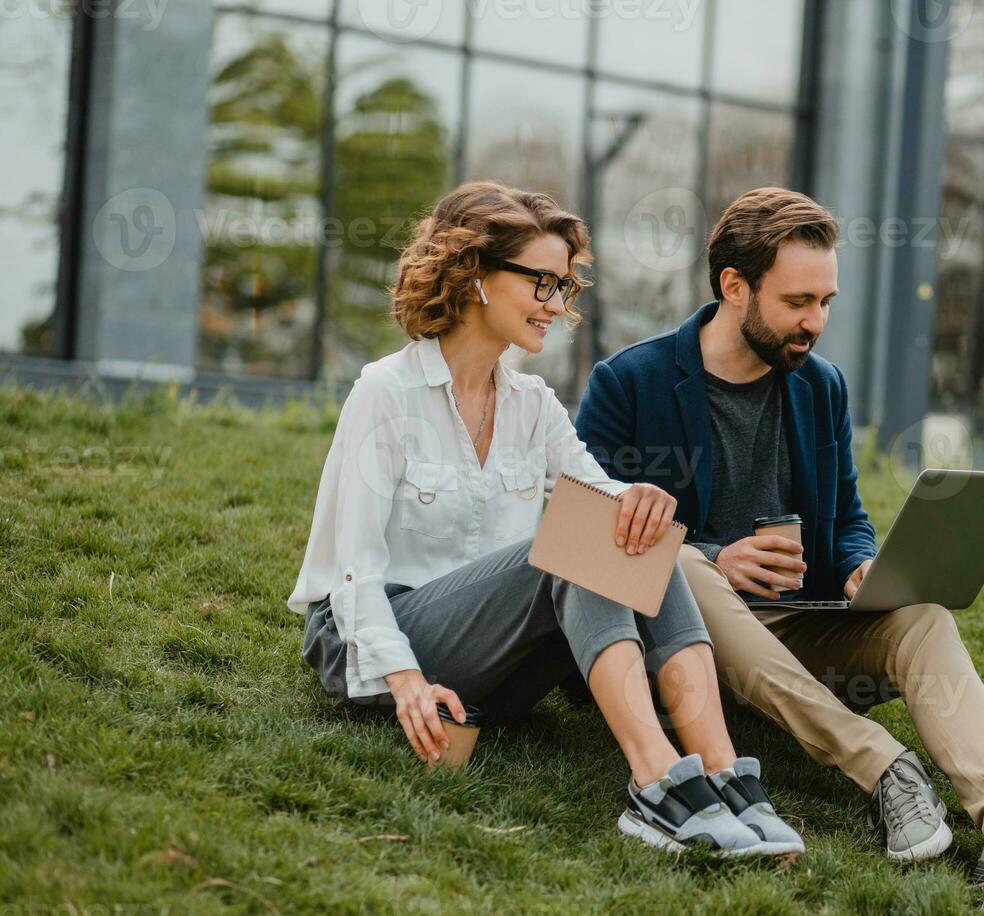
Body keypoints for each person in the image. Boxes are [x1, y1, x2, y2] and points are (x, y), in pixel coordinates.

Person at [574, 187, 984, 895]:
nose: (817, 322)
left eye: (826, 302)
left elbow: (847, 518)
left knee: (922, 617)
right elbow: (591, 536)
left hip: (800, 626)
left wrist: (863, 564)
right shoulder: (631, 381)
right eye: (798, 302)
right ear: (734, 287)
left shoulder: (820, 386)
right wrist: (715, 557)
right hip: (687, 641)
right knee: (680, 564)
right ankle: (883, 766)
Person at [287, 180, 803, 859]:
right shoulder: (387, 392)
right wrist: (405, 680)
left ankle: (725, 774)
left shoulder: (533, 403)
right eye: (541, 284)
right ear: (474, 274)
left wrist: (637, 500)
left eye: (565, 288)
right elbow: (352, 569)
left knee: (630, 535)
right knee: (576, 543)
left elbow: (603, 496)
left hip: (490, 659)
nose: (557, 307)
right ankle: (655, 785)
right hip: (380, 637)